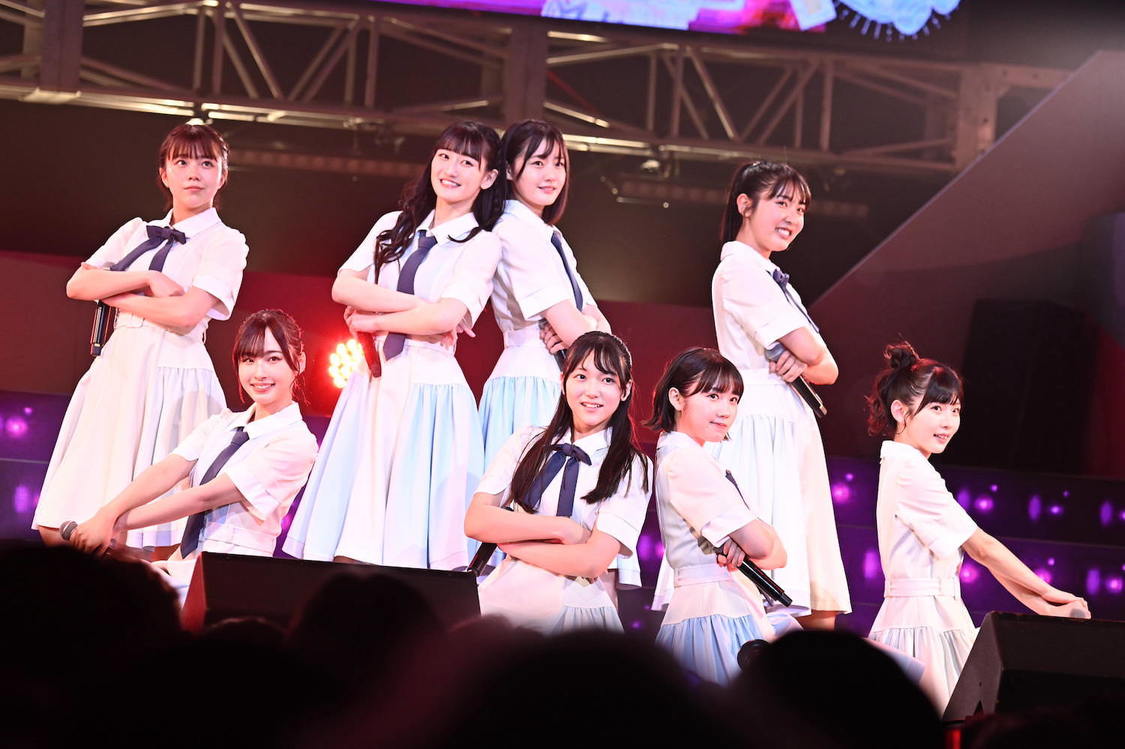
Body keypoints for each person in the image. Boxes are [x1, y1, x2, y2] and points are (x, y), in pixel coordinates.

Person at [283, 121, 503, 570]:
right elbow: (344, 286)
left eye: (467, 162)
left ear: (488, 178)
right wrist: (416, 308)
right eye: (445, 156)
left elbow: (445, 319)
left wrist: (375, 319)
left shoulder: (482, 244)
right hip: (373, 381)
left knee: (411, 531)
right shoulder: (392, 226)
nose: (451, 169)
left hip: (428, 389)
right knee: (355, 523)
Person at [33, 123, 248, 552]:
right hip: (118, 371)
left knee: (158, 532)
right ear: (164, 174)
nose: (194, 173)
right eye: (182, 162)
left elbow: (186, 313)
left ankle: (145, 587)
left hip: (176, 374)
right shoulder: (135, 231)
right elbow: (78, 284)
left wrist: (118, 297)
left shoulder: (226, 241)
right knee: (60, 522)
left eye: (207, 164)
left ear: (222, 175)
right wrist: (146, 278)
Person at [865, 342, 1090, 709]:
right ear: (900, 410)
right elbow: (983, 548)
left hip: (936, 615)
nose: (948, 421)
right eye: (936, 408)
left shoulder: (903, 465)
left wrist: (1045, 605)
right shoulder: (909, 470)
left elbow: (980, 551)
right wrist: (1049, 594)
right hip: (925, 623)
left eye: (954, 409)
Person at [67, 309, 317, 595]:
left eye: (273, 359)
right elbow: (165, 471)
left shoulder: (296, 442)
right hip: (186, 565)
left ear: (299, 362)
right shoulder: (221, 424)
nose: (259, 373)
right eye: (249, 360)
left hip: (234, 576)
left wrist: (112, 523)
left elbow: (205, 497)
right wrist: (107, 513)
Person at [709, 160, 849, 628]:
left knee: (810, 581)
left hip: (788, 426)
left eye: (801, 208)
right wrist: (807, 358)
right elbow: (811, 351)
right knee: (763, 588)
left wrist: (807, 360)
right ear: (745, 205)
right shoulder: (739, 270)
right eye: (782, 202)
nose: (793, 217)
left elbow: (828, 369)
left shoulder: (772, 276)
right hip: (758, 428)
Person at [465, 332, 650, 633]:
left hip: (575, 607)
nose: (592, 391)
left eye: (607, 380)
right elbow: (476, 520)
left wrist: (513, 544)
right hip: (505, 598)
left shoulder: (631, 465)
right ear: (563, 382)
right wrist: (563, 529)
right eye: (581, 377)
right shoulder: (527, 440)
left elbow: (593, 561)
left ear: (625, 390)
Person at [647, 347, 787, 684]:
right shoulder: (685, 460)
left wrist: (752, 540)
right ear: (677, 398)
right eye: (713, 396)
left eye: (733, 399)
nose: (725, 410)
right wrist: (752, 538)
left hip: (724, 602)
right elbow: (764, 547)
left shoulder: (696, 457)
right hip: (713, 610)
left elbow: (777, 555)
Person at [479, 119, 611, 468]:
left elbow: (598, 326)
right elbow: (580, 332)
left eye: (559, 164)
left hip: (555, 377)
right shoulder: (513, 231)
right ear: (509, 170)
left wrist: (584, 326)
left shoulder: (550, 236)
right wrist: (581, 327)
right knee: (523, 488)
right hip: (530, 380)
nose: (551, 174)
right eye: (538, 163)